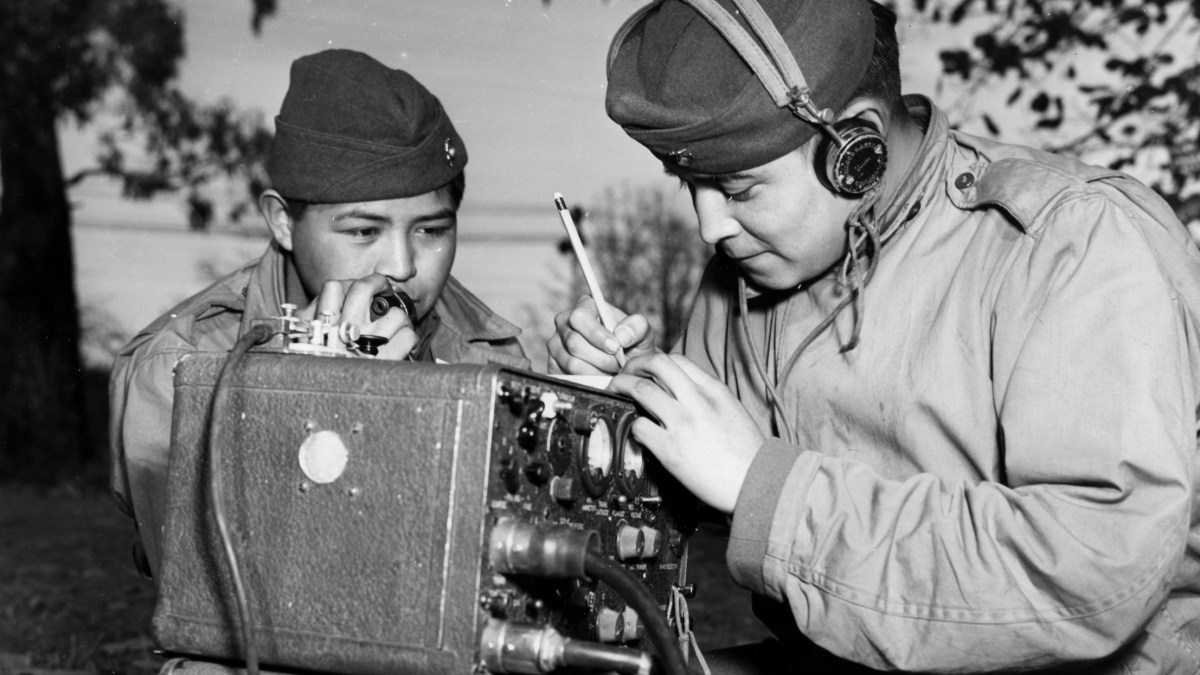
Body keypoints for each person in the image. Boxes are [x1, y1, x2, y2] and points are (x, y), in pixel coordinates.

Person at [549, 0, 1200, 672]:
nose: (710, 225)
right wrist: (624, 405)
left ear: (854, 150)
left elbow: (1091, 573)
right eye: (689, 185)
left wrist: (764, 490)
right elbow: (697, 482)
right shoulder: (746, 269)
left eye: (738, 189)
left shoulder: (1070, 243)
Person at [110, 49, 529, 583]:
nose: (400, 267)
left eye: (431, 231)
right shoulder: (180, 369)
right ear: (283, 223)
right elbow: (205, 591)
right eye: (362, 232)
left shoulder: (487, 352)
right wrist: (292, 405)